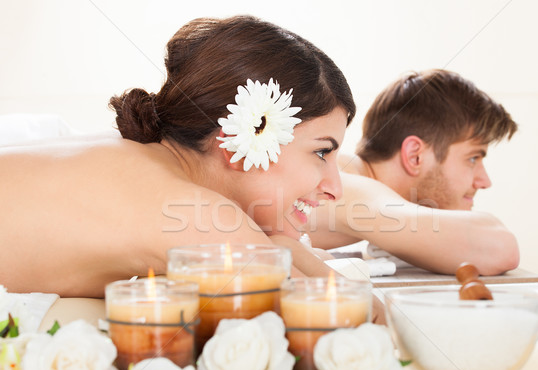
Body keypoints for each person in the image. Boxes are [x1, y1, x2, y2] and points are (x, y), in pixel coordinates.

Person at [0, 16, 355, 297]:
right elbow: (339, 321)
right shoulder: (197, 214)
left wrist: (281, 246)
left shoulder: (137, 160)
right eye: (321, 152)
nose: (335, 188)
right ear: (237, 138)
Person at [309, 70, 520, 275]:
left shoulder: (349, 177)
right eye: (473, 158)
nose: (484, 181)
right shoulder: (347, 188)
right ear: (415, 156)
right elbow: (500, 247)